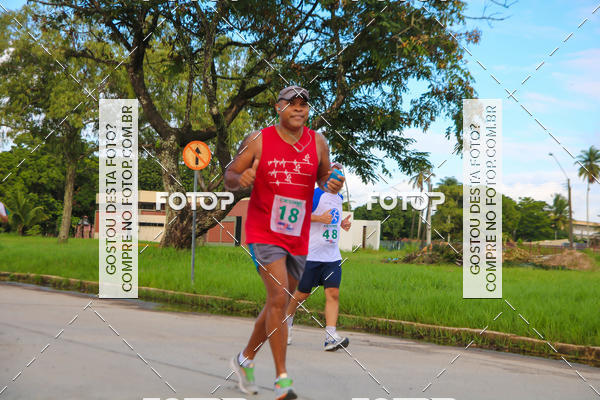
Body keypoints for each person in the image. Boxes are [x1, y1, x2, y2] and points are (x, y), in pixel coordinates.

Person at [224, 85, 345, 400]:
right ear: (278, 107)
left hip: (298, 235)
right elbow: (230, 173)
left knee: (277, 302)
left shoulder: (318, 142)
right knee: (279, 296)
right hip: (263, 231)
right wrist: (241, 180)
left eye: (304, 104)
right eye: (292, 103)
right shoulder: (259, 140)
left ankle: (244, 359)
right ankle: (282, 379)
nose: (298, 108)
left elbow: (323, 177)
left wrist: (331, 182)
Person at [285, 162, 352, 351]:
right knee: (302, 294)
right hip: (311, 256)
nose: (337, 178)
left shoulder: (339, 198)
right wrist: (319, 218)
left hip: (332, 257)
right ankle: (286, 323)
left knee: (333, 293)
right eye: (334, 174)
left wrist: (342, 223)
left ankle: (330, 337)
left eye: (339, 175)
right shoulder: (314, 195)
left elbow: (332, 219)